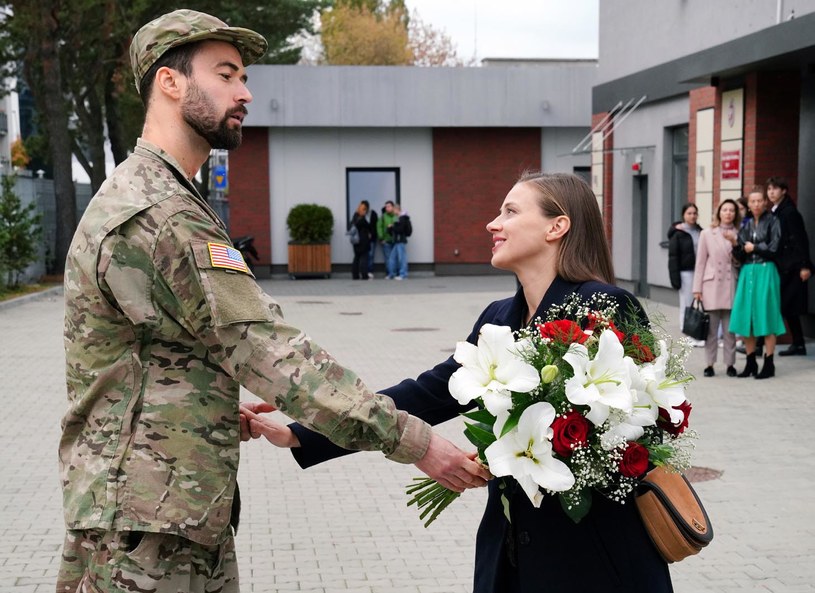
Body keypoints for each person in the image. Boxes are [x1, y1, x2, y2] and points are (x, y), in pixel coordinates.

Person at [57, 10, 487, 592]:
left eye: (243, 78)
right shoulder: (162, 213)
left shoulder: (157, 195)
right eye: (227, 75)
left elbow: (150, 351)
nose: (246, 93)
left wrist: (196, 407)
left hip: (155, 507)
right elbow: (268, 351)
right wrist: (415, 441)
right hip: (148, 526)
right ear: (170, 82)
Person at [244, 173, 673, 593]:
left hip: (591, 553)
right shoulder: (498, 316)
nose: (493, 223)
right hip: (509, 551)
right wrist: (302, 431)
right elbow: (429, 393)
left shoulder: (605, 306)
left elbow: (642, 426)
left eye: (510, 211)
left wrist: (507, 450)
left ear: (556, 227)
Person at [730, 186, 786, 379]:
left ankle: (769, 363)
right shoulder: (746, 224)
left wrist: (753, 247)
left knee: (767, 315)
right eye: (752, 201)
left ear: (765, 202)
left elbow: (774, 248)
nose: (755, 204)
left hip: (766, 270)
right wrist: (738, 248)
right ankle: (751, 361)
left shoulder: (773, 221)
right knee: (747, 316)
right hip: (748, 272)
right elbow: (739, 247)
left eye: (758, 201)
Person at [692, 199, 741, 377]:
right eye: (725, 209)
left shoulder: (739, 233)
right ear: (719, 212)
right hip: (711, 284)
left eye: (731, 210)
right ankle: (709, 364)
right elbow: (700, 262)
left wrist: (735, 243)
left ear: (735, 214)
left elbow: (740, 260)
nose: (728, 213)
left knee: (730, 330)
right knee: (711, 330)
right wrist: (696, 289)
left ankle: (730, 364)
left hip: (730, 284)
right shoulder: (707, 233)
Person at [767, 176, 813, 356]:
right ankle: (798, 343)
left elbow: (800, 240)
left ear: (783, 191)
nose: (771, 192)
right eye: (769, 189)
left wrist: (804, 265)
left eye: (775, 189)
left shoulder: (789, 212)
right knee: (787, 306)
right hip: (783, 265)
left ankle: (796, 343)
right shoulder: (776, 210)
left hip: (792, 267)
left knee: (787, 305)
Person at [668, 203, 704, 346]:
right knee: (687, 303)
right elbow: (673, 257)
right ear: (684, 215)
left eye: (695, 213)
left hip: (700, 271)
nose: (692, 216)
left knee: (699, 303)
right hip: (686, 272)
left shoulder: (701, 231)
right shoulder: (678, 233)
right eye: (689, 213)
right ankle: (687, 334)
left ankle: (697, 333)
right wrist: (675, 278)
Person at [349, 201, 373, 280]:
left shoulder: (354, 216)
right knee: (364, 258)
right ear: (364, 210)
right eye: (365, 210)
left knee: (356, 257)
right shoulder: (362, 219)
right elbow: (369, 227)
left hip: (355, 241)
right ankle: (364, 275)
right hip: (363, 240)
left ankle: (355, 276)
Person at [388, 203, 411, 280]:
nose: (393, 211)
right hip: (397, 241)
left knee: (402, 258)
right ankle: (392, 274)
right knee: (392, 257)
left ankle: (403, 275)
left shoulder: (402, 218)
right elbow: (395, 230)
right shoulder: (398, 218)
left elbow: (400, 230)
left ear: (397, 209)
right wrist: (390, 228)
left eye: (393, 210)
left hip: (400, 241)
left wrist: (393, 226)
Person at [377, 200, 398, 279]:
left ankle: (395, 273)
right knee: (388, 258)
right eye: (386, 207)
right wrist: (381, 238)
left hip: (396, 241)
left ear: (393, 207)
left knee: (395, 257)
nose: (387, 208)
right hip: (386, 241)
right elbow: (379, 227)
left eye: (389, 206)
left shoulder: (396, 216)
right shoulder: (383, 217)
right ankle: (390, 274)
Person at [363, 200, 378, 279]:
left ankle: (370, 271)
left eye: (364, 208)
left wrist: (371, 234)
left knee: (371, 255)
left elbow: (376, 226)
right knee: (364, 255)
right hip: (364, 239)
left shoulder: (373, 214)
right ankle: (364, 271)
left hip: (372, 238)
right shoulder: (361, 214)